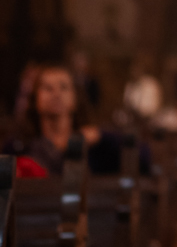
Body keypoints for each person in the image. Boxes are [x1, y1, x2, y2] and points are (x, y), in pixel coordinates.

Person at [4, 62, 143, 177]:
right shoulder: (19, 147)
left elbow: (142, 158)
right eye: (47, 88)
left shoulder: (94, 148)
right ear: (35, 99)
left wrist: (102, 137)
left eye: (64, 87)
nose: (56, 94)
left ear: (75, 98)